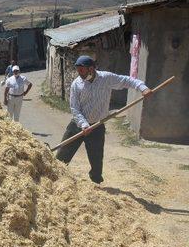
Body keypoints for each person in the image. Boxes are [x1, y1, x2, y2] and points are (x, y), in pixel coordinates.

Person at [55, 55, 151, 184]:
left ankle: (96, 184)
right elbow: (74, 108)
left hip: (97, 126)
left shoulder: (106, 78)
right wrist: (83, 124)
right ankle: (55, 179)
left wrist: (143, 88)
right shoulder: (76, 84)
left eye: (82, 70)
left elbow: (127, 81)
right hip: (77, 125)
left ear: (91, 68)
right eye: (78, 70)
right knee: (62, 154)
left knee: (96, 160)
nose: (79, 73)